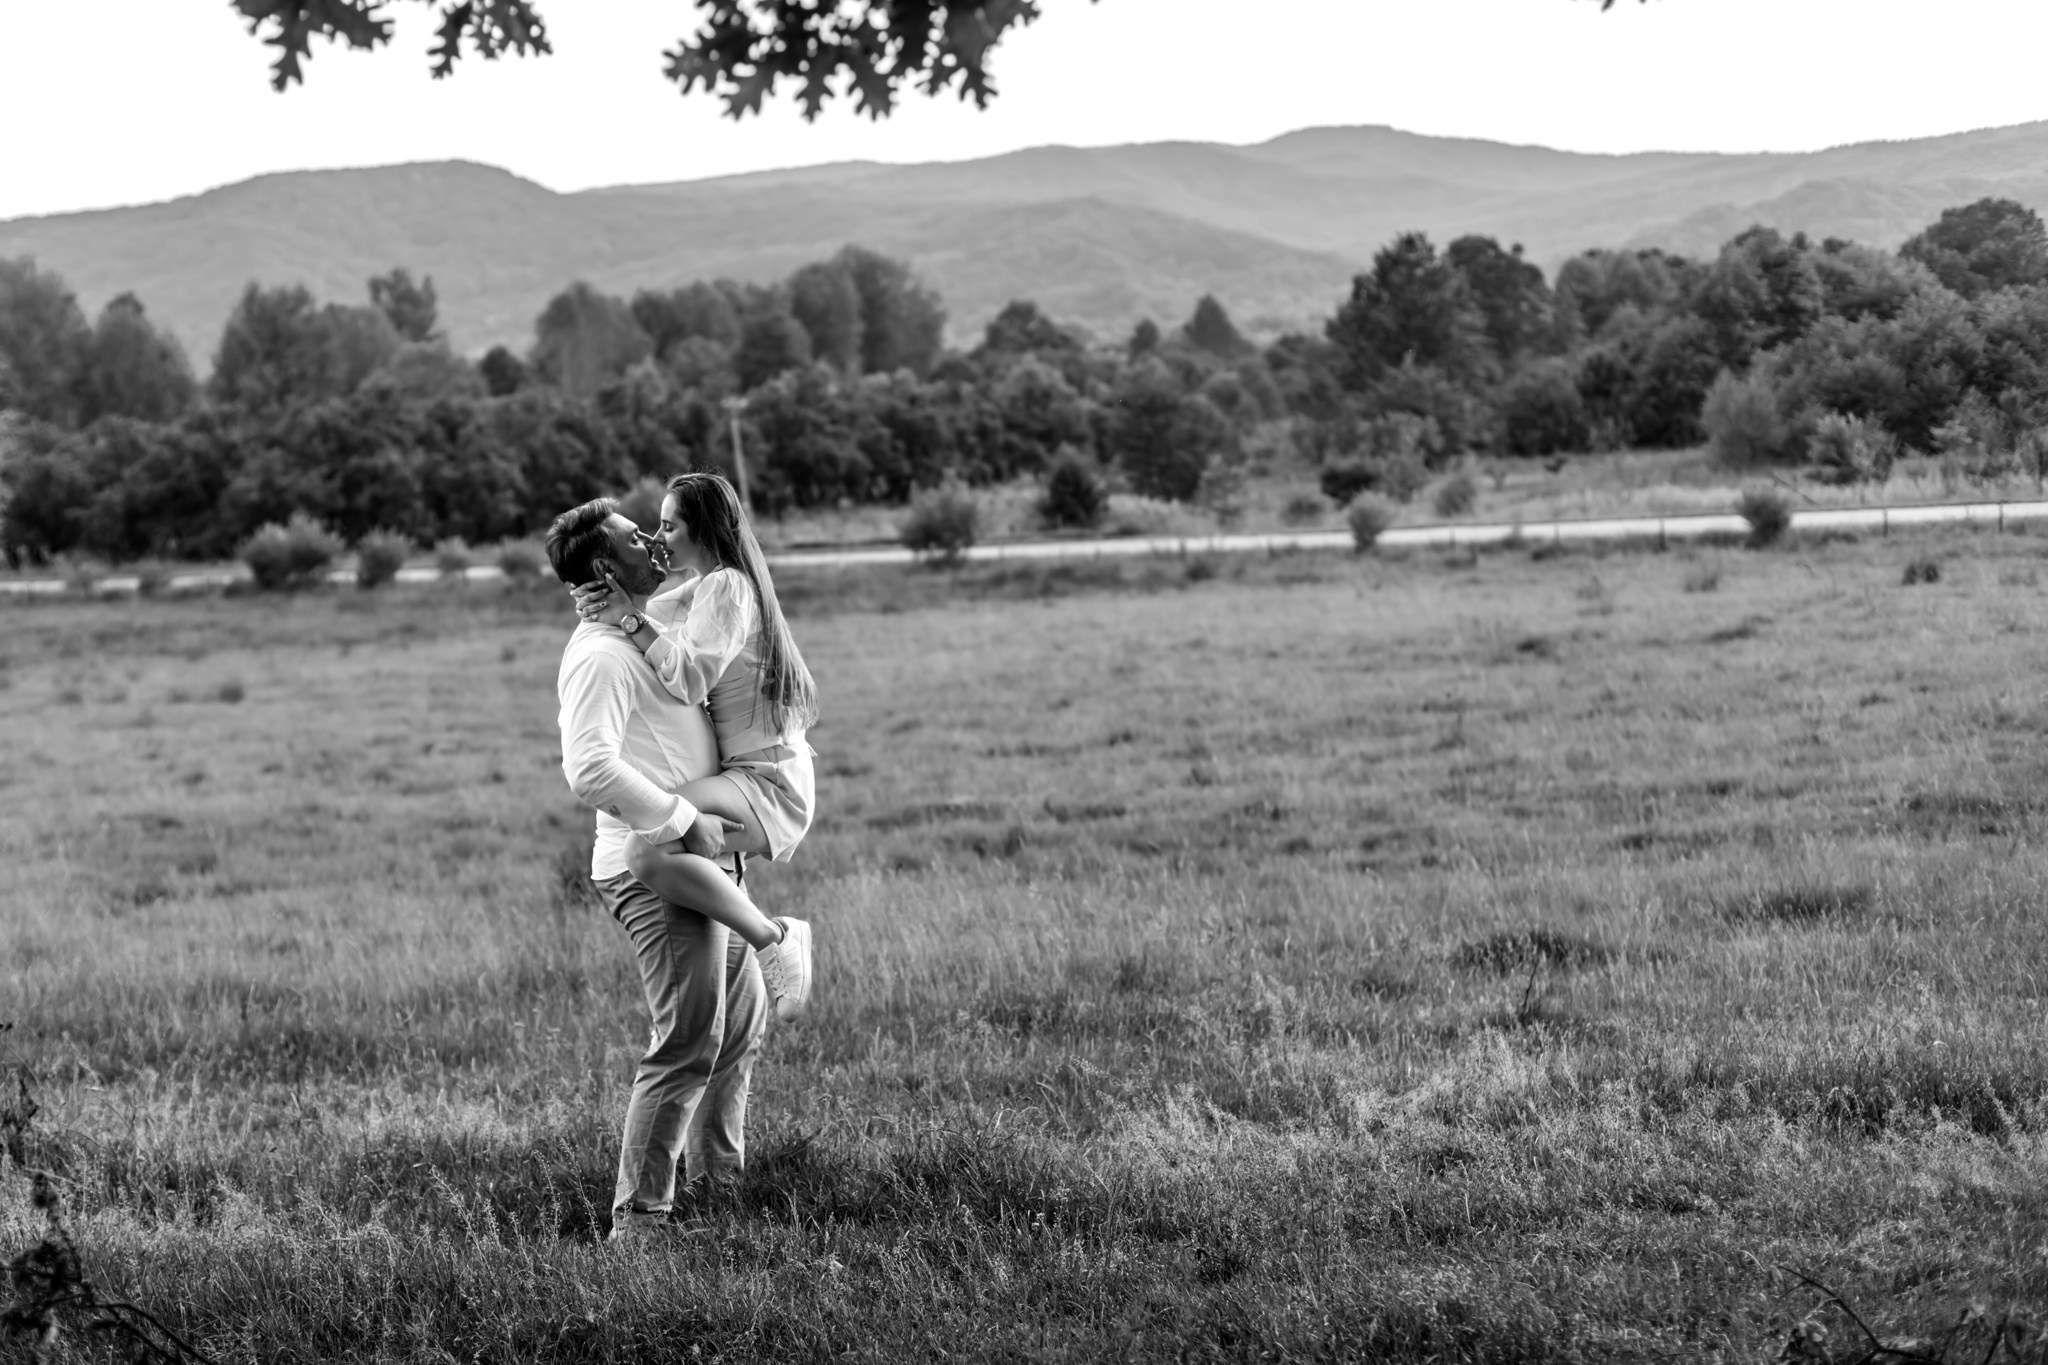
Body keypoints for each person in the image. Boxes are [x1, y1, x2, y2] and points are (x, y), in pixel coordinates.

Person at [546, 495, 800, 1244]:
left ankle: (719, 1186)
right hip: (651, 867)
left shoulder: (643, 626)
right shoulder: (598, 654)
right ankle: (642, 1222)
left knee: (741, 1024)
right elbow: (588, 768)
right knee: (689, 1036)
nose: (653, 542)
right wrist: (685, 819)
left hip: (700, 857)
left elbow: (719, 590)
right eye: (634, 536)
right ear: (603, 567)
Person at [570, 473, 818, 1019]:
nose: (659, 539)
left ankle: (775, 935)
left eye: (668, 525)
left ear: (701, 530)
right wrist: (604, 600)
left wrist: (629, 618)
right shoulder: (711, 585)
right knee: (654, 837)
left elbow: (687, 679)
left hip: (764, 782)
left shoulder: (728, 585)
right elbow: (647, 613)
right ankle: (770, 937)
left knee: (642, 847)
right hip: (751, 777)